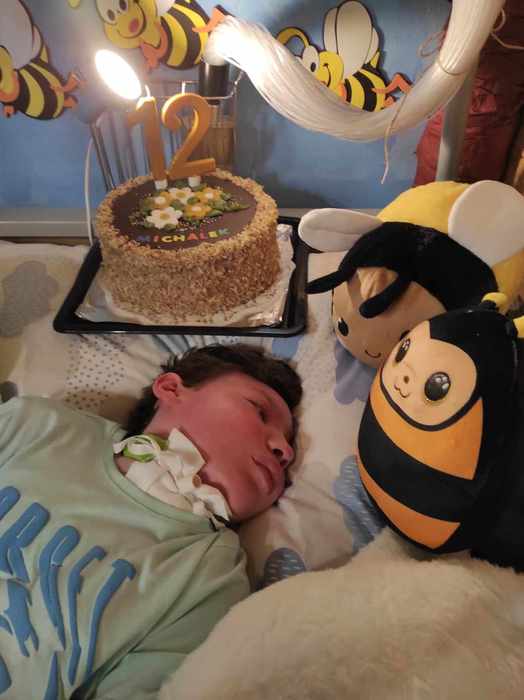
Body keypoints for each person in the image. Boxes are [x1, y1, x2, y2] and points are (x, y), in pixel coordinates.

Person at [0, 343, 302, 699]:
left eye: (289, 447)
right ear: (171, 389)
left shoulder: (210, 575)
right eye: (259, 411)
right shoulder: (42, 426)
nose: (285, 450)